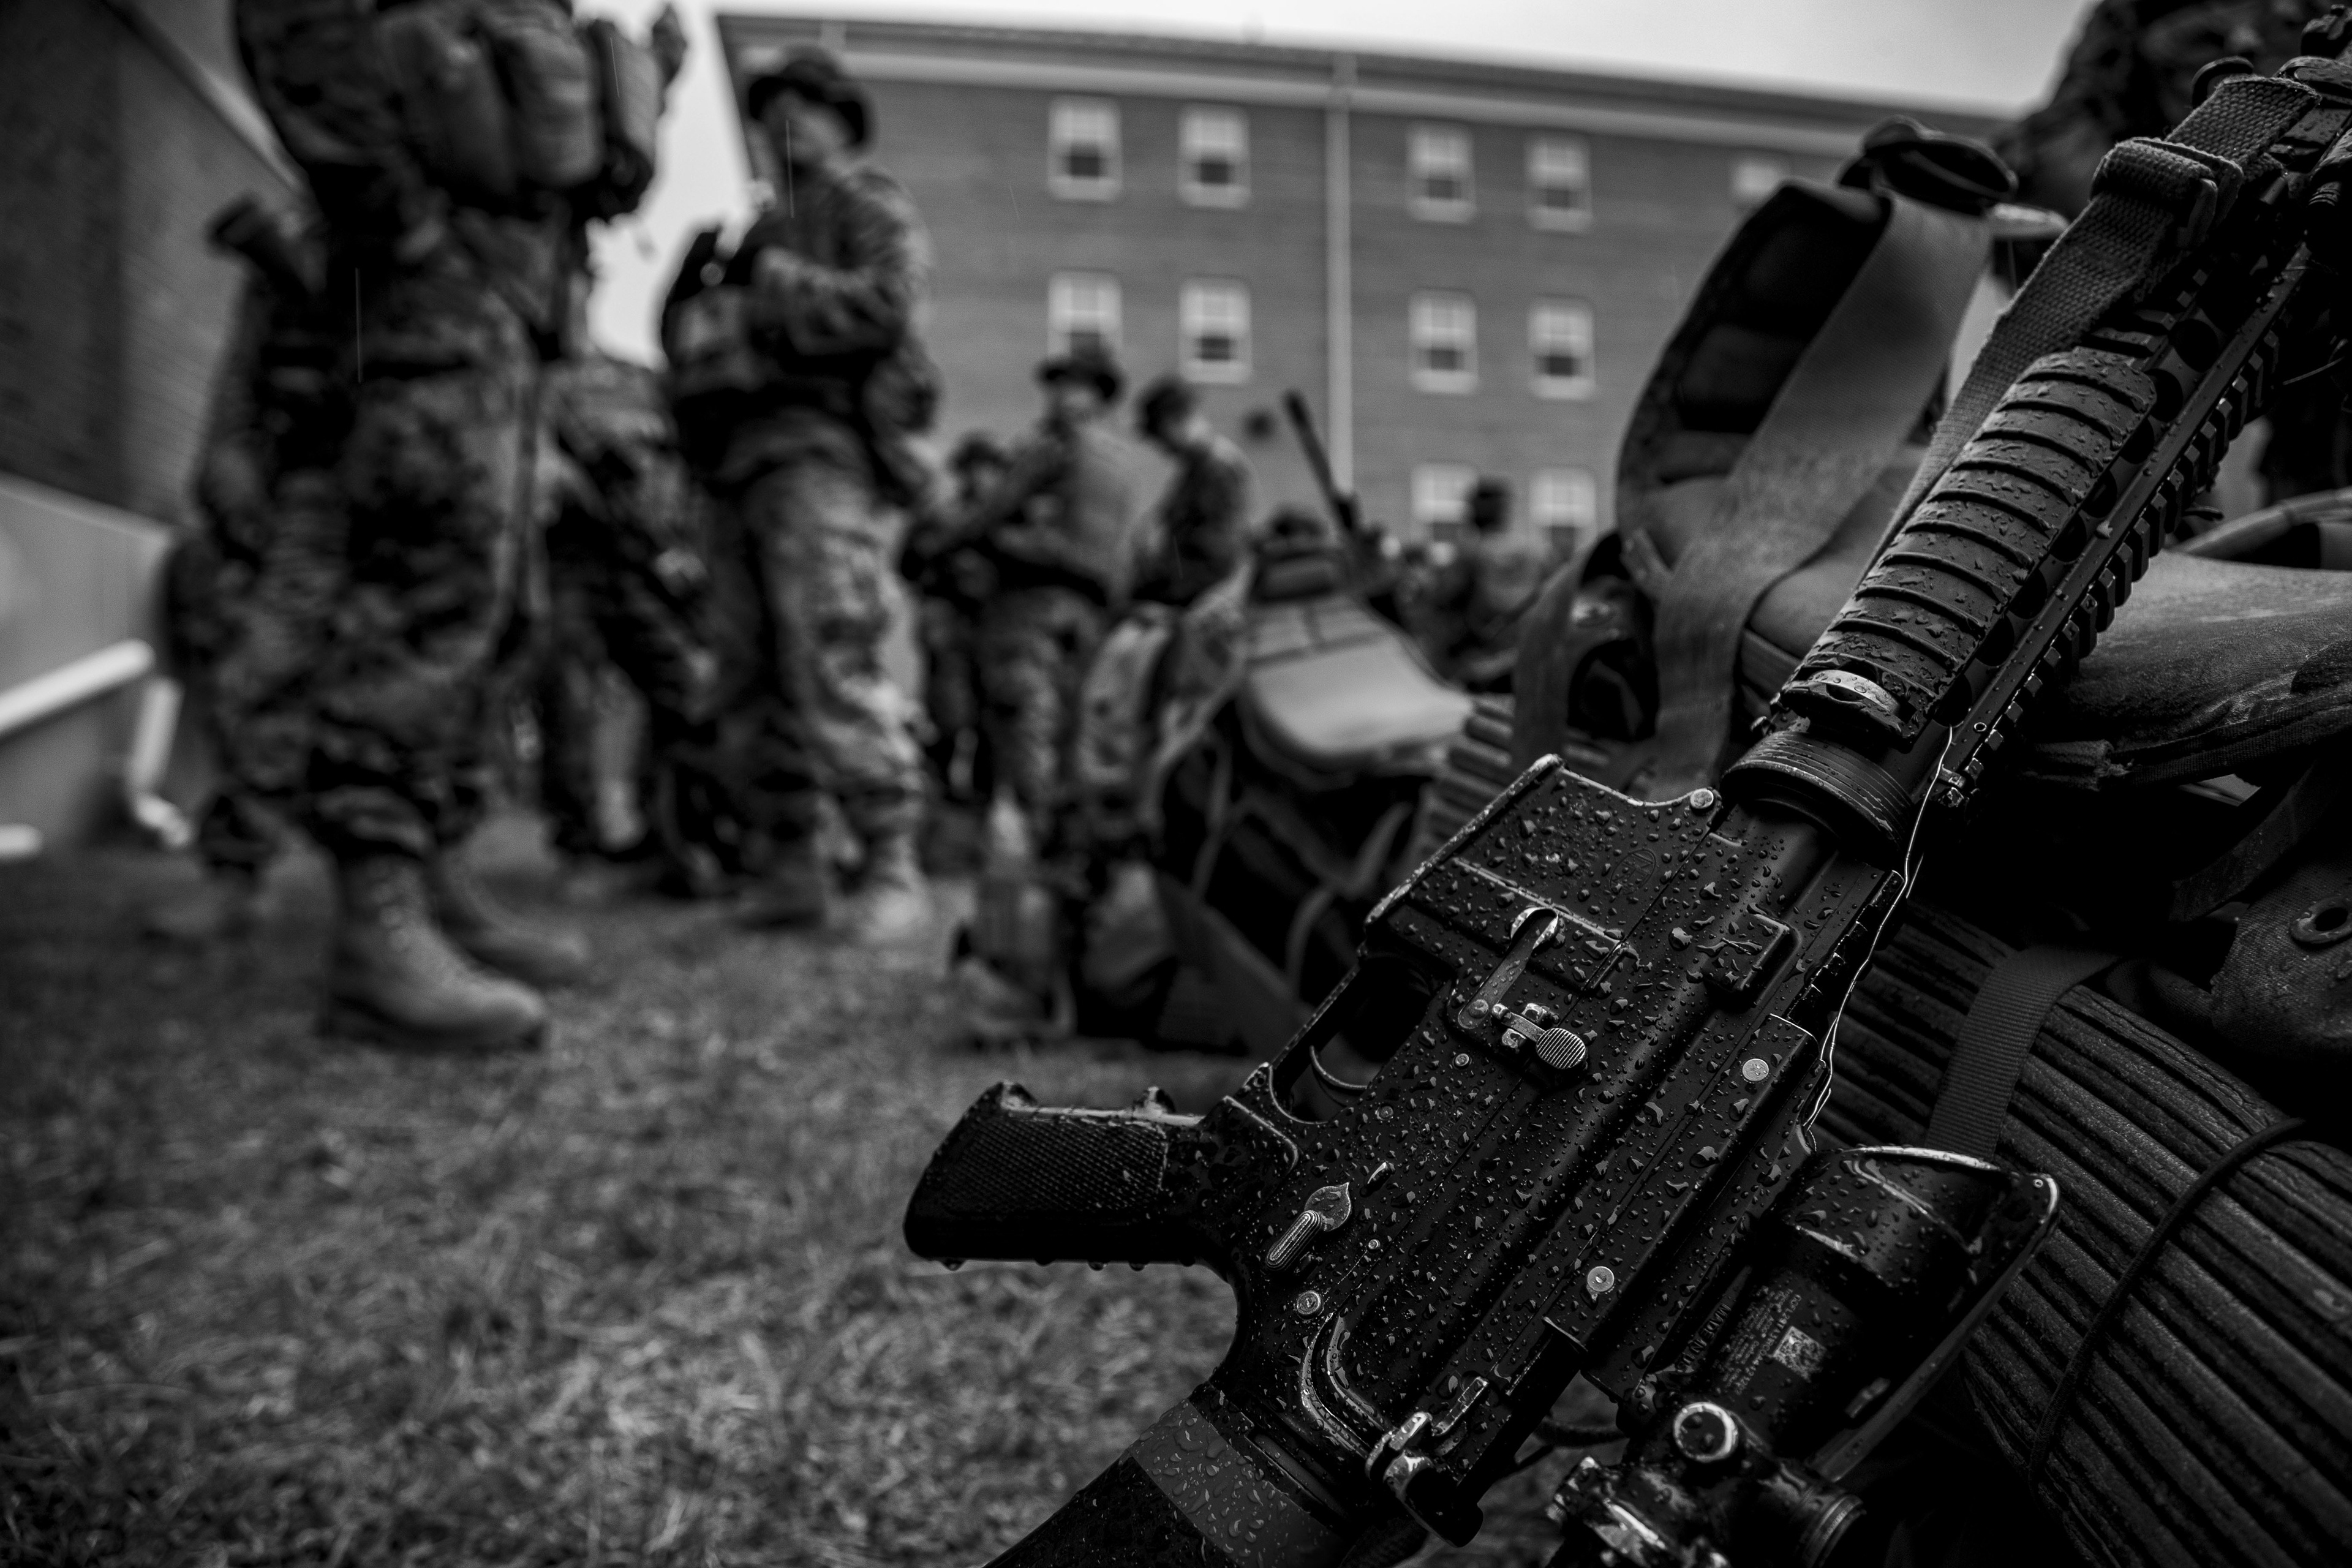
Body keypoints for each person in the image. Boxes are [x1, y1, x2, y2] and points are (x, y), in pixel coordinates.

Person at [218, 1, 686, 1050]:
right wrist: (402, 225)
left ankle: (431, 876)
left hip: (513, 309)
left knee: (494, 607)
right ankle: (375, 924)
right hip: (435, 301)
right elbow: (298, 26)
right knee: (427, 596)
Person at [662, 48, 937, 940]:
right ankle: (790, 861)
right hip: (736, 463)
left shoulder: (864, 206)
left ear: (844, 122)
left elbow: (885, 308)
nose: (786, 122)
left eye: (809, 106)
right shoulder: (748, 232)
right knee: (746, 674)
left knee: (831, 650)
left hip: (821, 457)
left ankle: (889, 858)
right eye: (772, 108)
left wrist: (772, 286)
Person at [531, 345, 719, 892]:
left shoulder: (651, 384)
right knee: (568, 699)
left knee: (685, 689)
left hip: (642, 564)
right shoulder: (550, 383)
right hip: (571, 562)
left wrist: (677, 544)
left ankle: (674, 837)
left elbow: (684, 469)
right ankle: (580, 847)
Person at [961, 344, 1149, 853]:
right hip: (1091, 611)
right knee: (1075, 729)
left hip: (1032, 604)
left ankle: (1041, 842)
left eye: (1070, 387)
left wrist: (958, 539)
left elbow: (987, 516)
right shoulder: (1121, 461)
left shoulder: (1050, 446)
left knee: (1026, 721)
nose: (1058, 397)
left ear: (1093, 396)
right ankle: (1073, 844)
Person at [900, 432, 1008, 805]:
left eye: (990, 470)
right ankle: (937, 787)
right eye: (975, 469)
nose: (983, 478)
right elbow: (907, 562)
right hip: (948, 618)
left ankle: (980, 799)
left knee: (991, 713)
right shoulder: (942, 514)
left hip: (992, 623)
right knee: (948, 710)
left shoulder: (1006, 518)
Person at [1131, 375, 1253, 609]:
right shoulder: (1196, 467)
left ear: (1174, 422)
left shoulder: (1218, 468)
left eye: (1160, 436)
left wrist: (1165, 574)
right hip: (1188, 588)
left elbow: (1218, 549)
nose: (1161, 447)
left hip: (1202, 596)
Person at [1414, 477, 1547, 688]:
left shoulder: (1469, 554)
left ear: (1473, 514)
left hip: (1474, 666)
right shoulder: (1535, 554)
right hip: (1520, 660)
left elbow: (1442, 600)